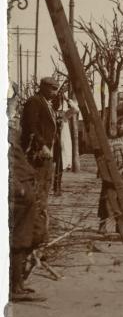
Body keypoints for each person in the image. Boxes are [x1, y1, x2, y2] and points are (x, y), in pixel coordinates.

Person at [8, 87, 48, 302]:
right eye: (13, 105)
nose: (15, 111)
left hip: (25, 187)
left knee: (33, 234)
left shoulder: (9, 128)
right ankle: (15, 287)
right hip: (18, 191)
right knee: (20, 239)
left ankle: (17, 283)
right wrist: (18, 187)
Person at [21, 76, 60, 232]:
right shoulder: (34, 102)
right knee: (38, 191)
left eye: (56, 89)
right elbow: (31, 126)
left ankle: (39, 229)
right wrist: (42, 145)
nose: (55, 92)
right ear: (43, 87)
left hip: (47, 156)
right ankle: (34, 230)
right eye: (52, 88)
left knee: (44, 190)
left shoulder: (48, 104)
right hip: (37, 154)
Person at [98, 117, 123, 235]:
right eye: (119, 124)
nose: (121, 126)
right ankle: (102, 224)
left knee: (121, 199)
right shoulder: (110, 142)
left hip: (122, 175)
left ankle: (120, 225)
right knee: (105, 198)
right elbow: (106, 157)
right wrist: (108, 172)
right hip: (109, 174)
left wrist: (121, 170)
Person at [51, 89, 79, 196]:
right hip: (52, 140)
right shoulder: (51, 112)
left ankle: (57, 187)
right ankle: (51, 186)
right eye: (55, 101)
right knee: (51, 164)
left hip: (61, 141)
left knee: (59, 163)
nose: (57, 103)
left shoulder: (64, 115)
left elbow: (75, 109)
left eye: (59, 101)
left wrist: (67, 99)